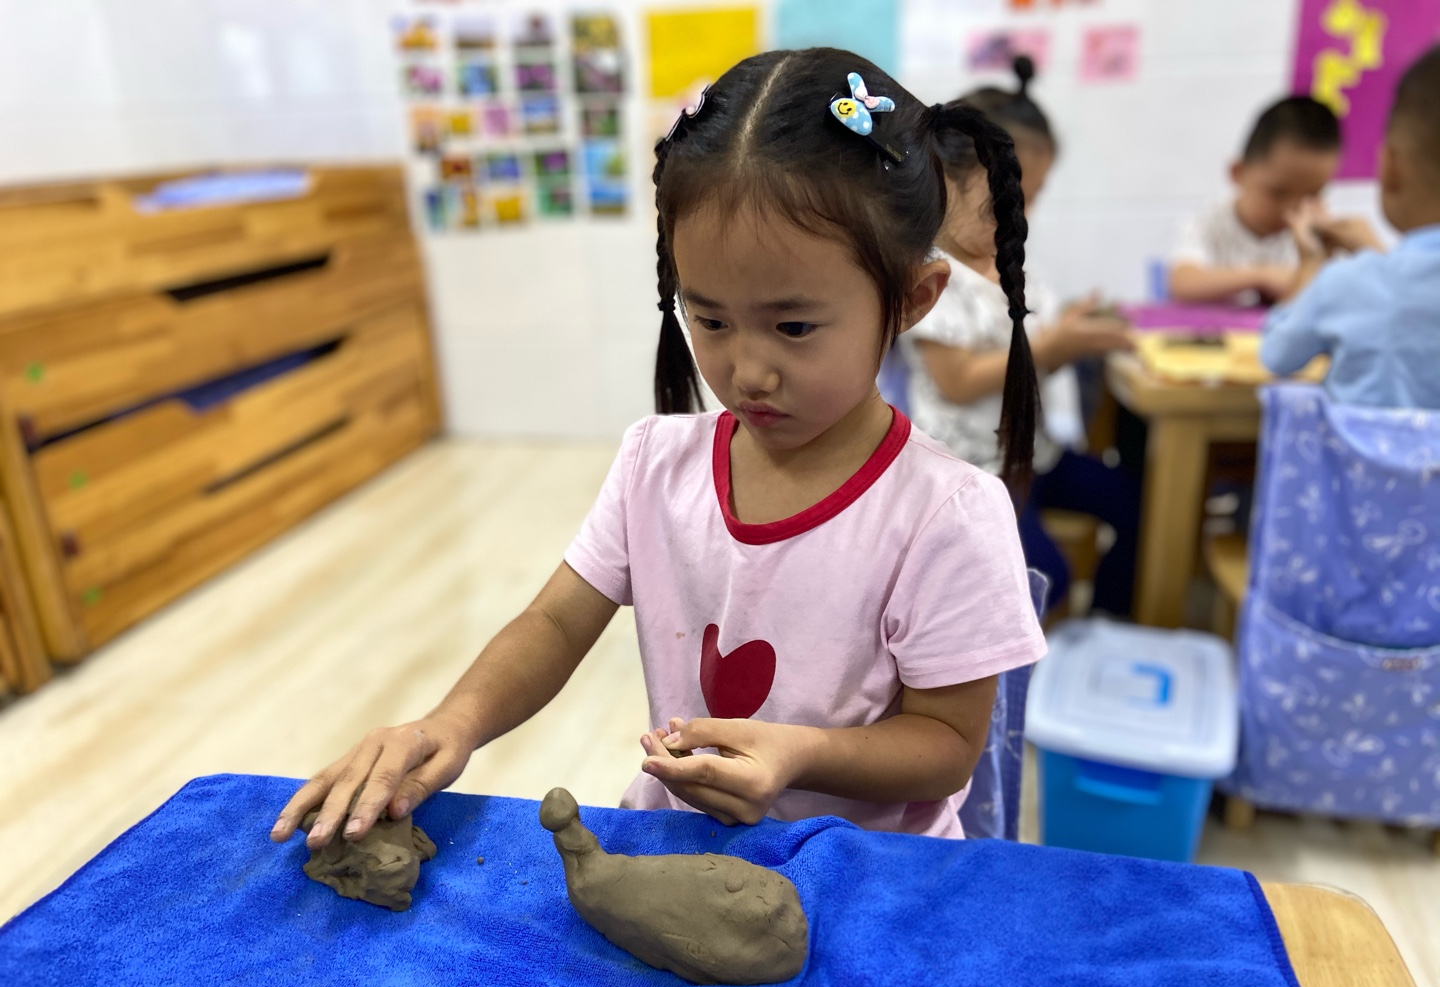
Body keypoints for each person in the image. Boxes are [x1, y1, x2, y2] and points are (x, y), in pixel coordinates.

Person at [271, 48, 1046, 847]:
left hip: (866, 873)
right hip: (680, 843)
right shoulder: (656, 464)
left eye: (793, 326)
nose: (747, 370)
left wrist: (801, 756)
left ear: (913, 298)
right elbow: (556, 623)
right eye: (710, 319)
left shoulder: (946, 513)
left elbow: (946, 746)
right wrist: (451, 723)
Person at [901, 57, 1140, 618]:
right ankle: (1021, 654)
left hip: (1033, 454)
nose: (1017, 220)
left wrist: (1069, 325)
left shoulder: (1010, 267)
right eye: (1001, 204)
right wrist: (1052, 347)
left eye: (1029, 202)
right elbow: (958, 381)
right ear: (943, 180)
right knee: (1046, 575)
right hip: (972, 470)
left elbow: (1032, 332)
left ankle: (1106, 627)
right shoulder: (929, 277)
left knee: (1132, 500)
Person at [1262, 46, 1440, 408]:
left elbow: (1277, 355)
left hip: (1355, 450)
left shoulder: (1347, 282)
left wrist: (1311, 264)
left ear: (1391, 168)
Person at [1168, 95, 1377, 305]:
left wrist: (1322, 258)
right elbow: (1182, 284)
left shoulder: (1314, 235)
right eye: (1278, 192)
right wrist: (1261, 276)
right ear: (1238, 173)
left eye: (1312, 195)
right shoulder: (1209, 223)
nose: (1292, 209)